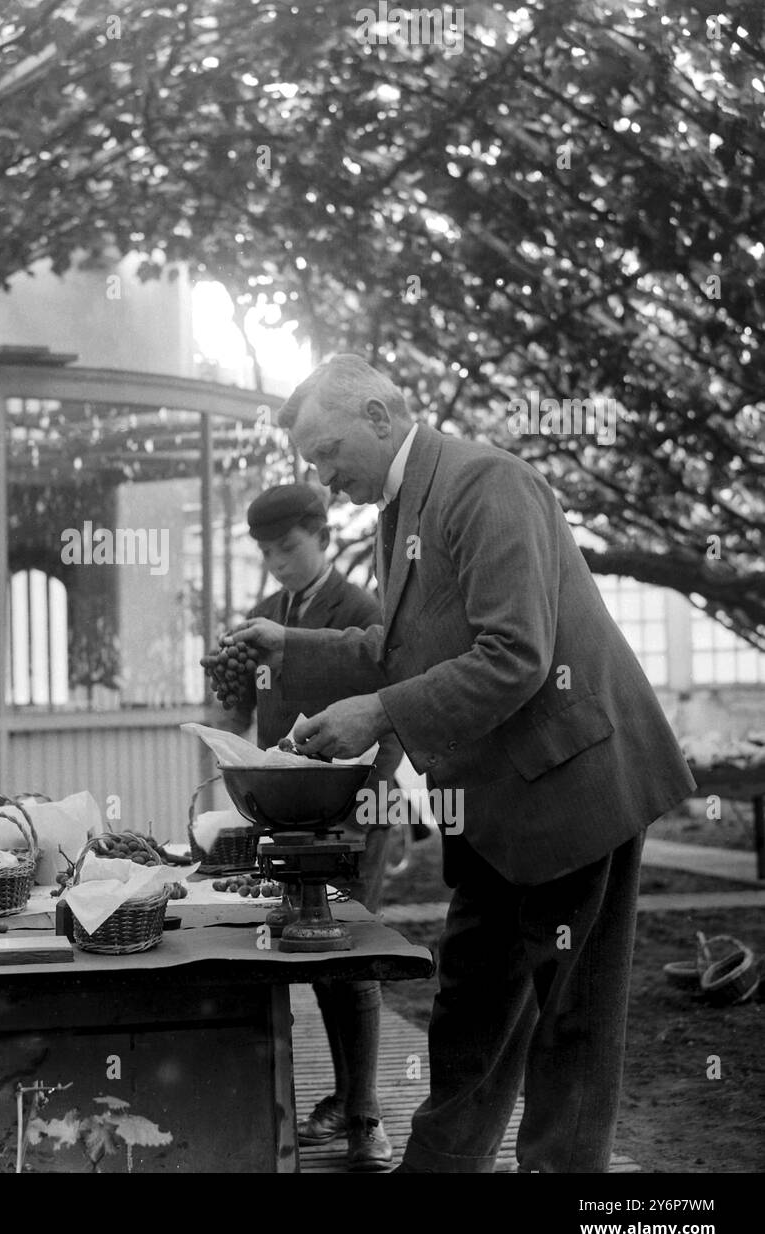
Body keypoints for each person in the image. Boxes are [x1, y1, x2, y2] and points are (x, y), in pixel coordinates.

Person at [230, 353, 695, 1173]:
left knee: (571, 1027)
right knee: (470, 1008)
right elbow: (396, 648)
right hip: (493, 806)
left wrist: (378, 712)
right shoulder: (400, 505)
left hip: (575, 789)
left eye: (327, 453)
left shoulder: (486, 483)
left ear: (379, 416)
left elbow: (516, 655)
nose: (324, 479)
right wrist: (292, 642)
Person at [207, 481, 403, 1172]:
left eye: (289, 547)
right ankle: (347, 1098)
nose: (279, 563)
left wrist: (374, 806)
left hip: (357, 809)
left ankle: (368, 1118)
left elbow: (392, 710)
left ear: (322, 535)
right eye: (265, 552)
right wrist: (223, 688)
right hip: (288, 815)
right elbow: (240, 721)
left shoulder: (366, 611)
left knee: (349, 954)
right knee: (308, 942)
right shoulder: (260, 618)